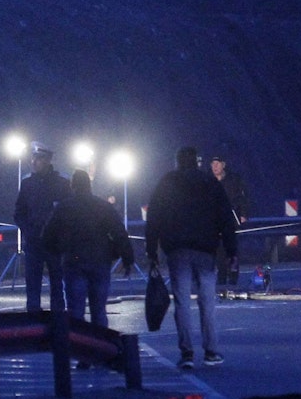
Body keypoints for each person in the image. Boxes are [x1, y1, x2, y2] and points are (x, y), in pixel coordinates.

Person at [145, 146, 238, 369]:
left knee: (182, 302)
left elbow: (154, 218)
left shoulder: (167, 183)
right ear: (196, 161)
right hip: (206, 250)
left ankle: (187, 353)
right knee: (207, 302)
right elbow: (226, 218)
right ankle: (211, 351)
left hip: (177, 250)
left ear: (177, 161)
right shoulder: (210, 183)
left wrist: (152, 252)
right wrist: (231, 251)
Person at [42, 170, 135, 331]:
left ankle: (80, 348)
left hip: (74, 262)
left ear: (73, 186)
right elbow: (119, 233)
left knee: (76, 311)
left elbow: (48, 236)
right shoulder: (102, 206)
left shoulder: (64, 208)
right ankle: (101, 349)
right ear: (89, 185)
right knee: (99, 310)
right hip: (100, 261)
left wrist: (58, 253)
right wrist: (127, 258)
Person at [12, 146, 70, 313]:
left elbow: (68, 211)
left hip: (55, 243)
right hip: (34, 241)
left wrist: (61, 234)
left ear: (48, 160)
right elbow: (19, 212)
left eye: (38, 159)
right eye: (33, 158)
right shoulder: (27, 183)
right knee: (32, 283)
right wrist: (27, 231)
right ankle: (33, 319)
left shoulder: (62, 183)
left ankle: (58, 320)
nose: (34, 162)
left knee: (57, 283)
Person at [210, 156, 252, 286]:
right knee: (218, 250)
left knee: (232, 250)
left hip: (231, 219)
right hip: (215, 221)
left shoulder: (233, 180)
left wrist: (243, 214)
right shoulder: (208, 181)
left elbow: (243, 198)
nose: (215, 167)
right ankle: (221, 276)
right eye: (213, 164)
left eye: (217, 164)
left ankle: (233, 276)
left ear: (223, 165)